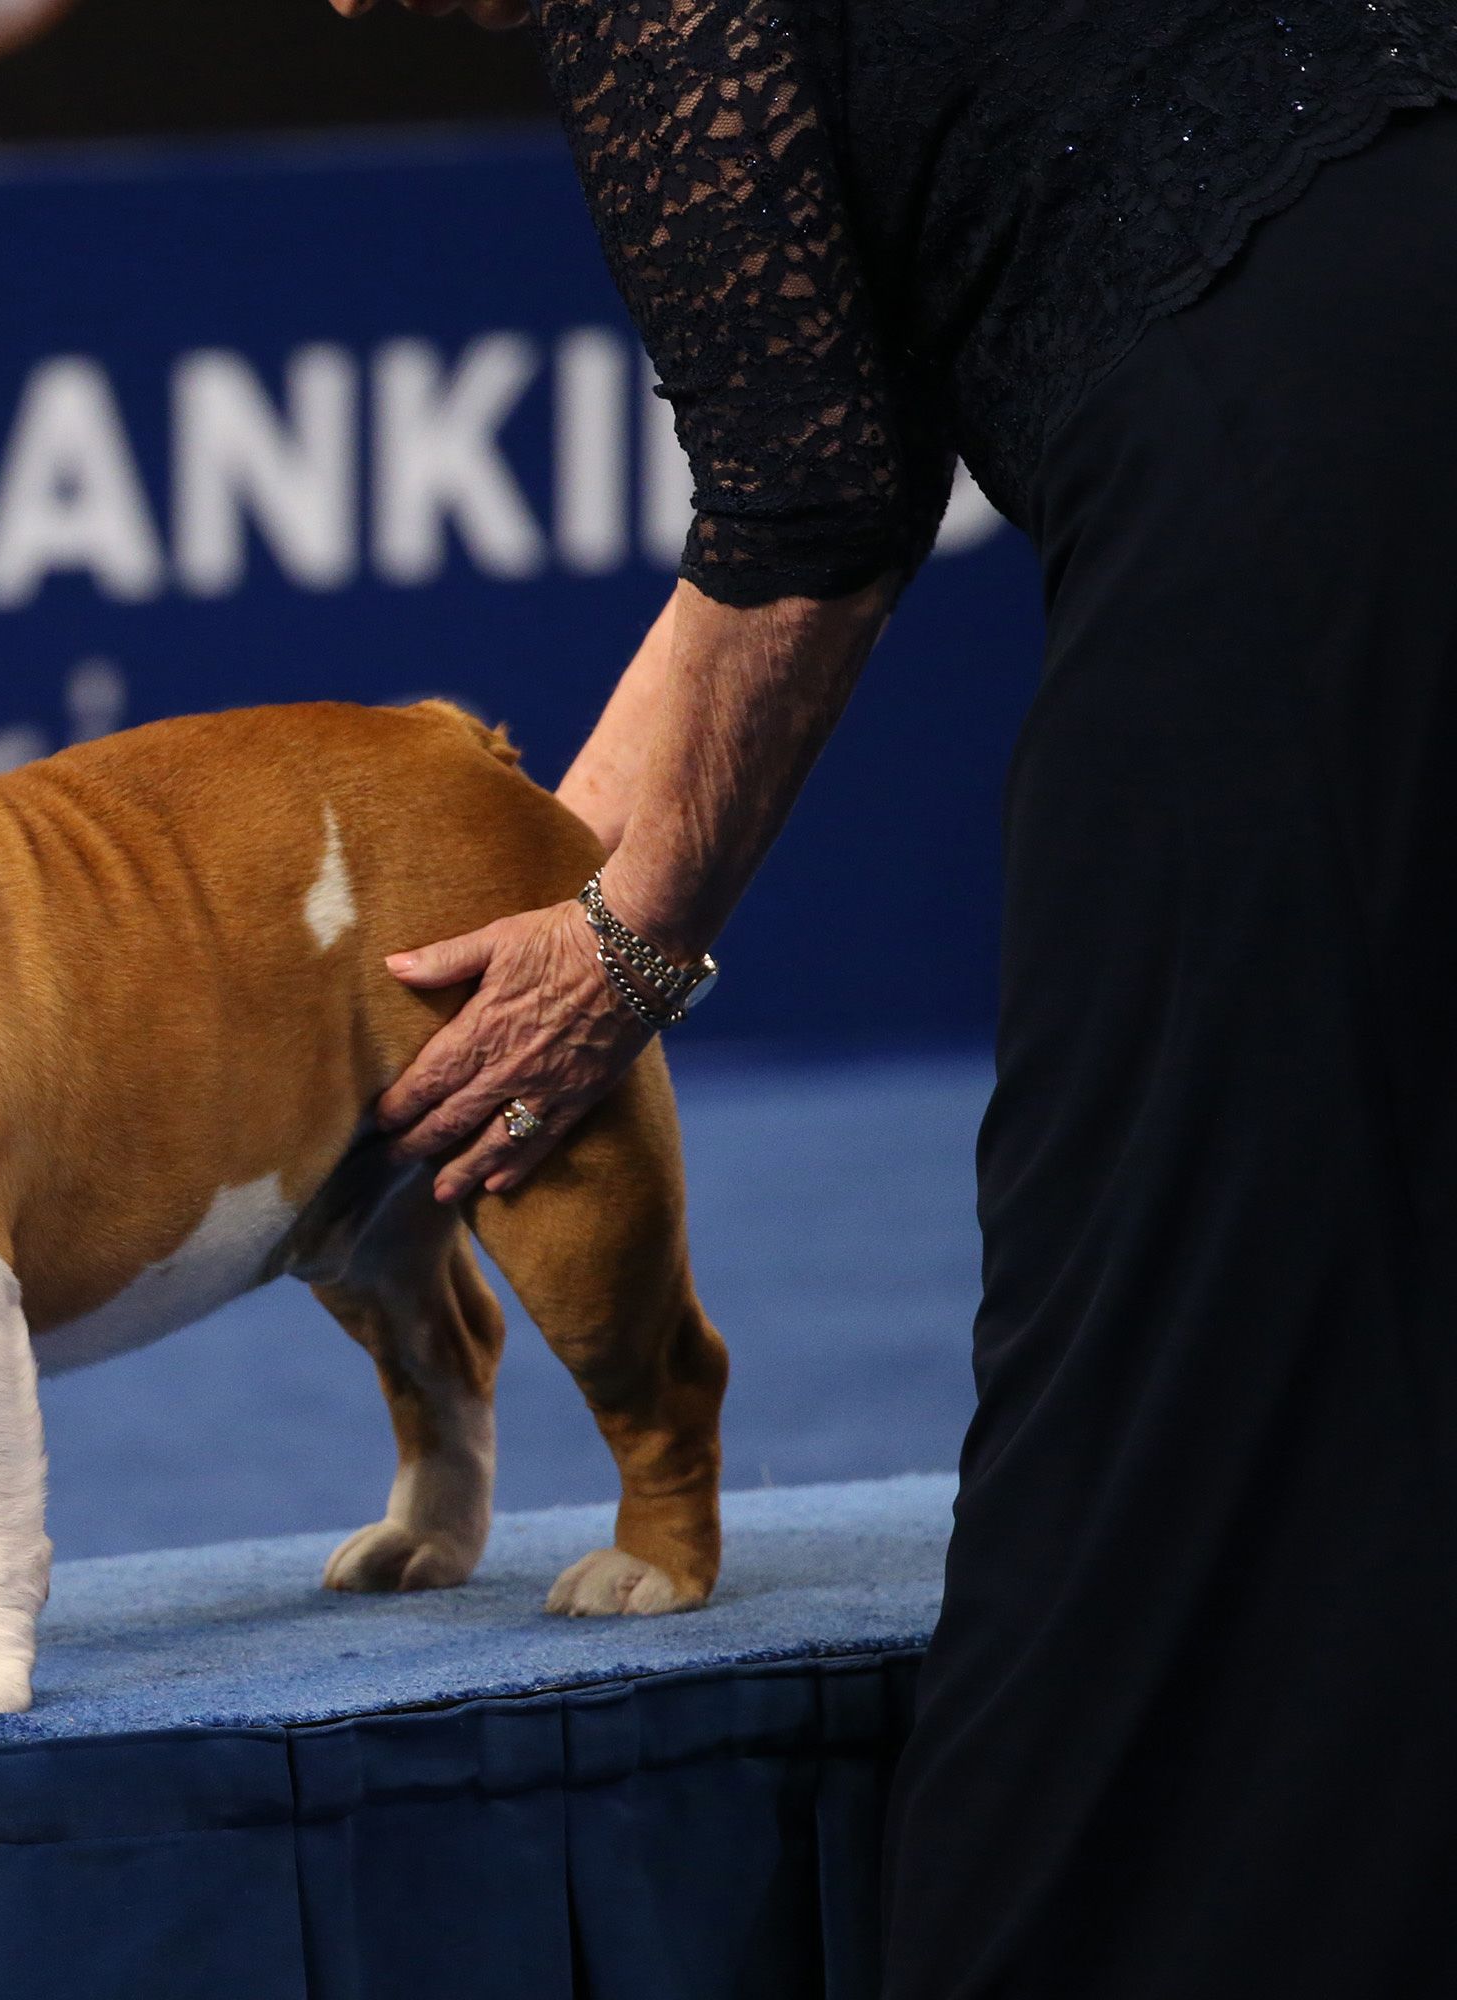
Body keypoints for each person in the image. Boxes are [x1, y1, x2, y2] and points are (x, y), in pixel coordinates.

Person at [327, 0, 1457, 1989]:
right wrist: (560, 897)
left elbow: (812, 517)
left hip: (1332, 484)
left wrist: (621, 948)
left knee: (1174, 1367)